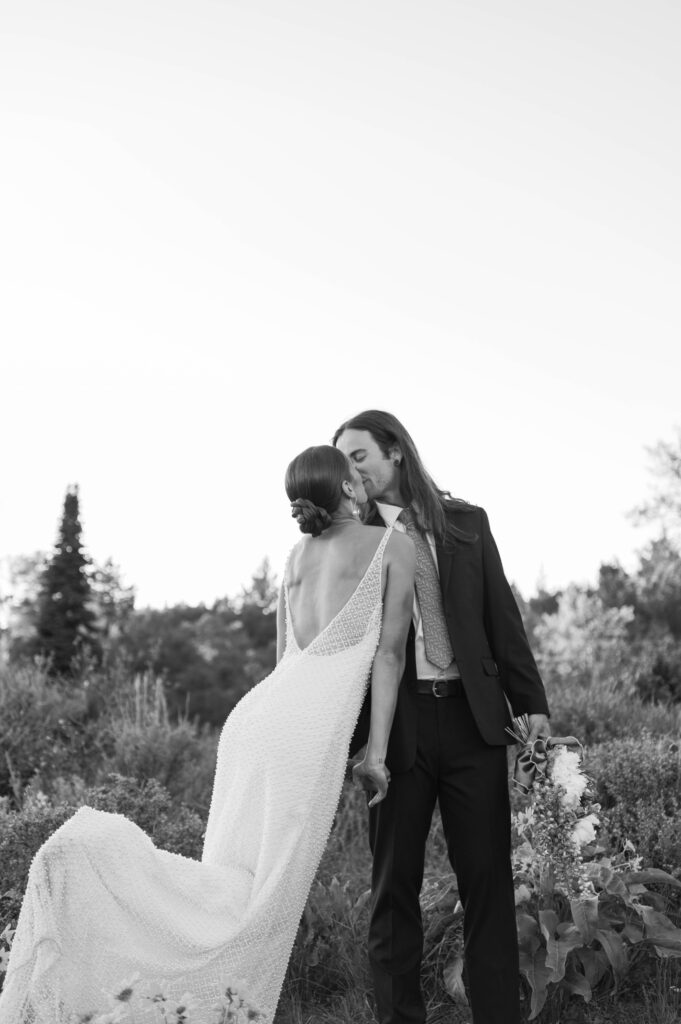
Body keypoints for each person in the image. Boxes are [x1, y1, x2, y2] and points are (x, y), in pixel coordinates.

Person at [0, 445, 416, 1024]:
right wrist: (375, 753)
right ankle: (98, 861)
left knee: (226, 884)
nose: (364, 481)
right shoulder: (396, 545)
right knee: (261, 906)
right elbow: (389, 656)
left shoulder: (295, 557)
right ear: (347, 489)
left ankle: (147, 970)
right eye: (355, 474)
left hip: (254, 722)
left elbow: (283, 663)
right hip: (304, 734)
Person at [334, 410, 551, 1024]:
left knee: (487, 883)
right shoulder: (351, 539)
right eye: (342, 463)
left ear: (395, 451)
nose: (352, 472)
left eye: (359, 456)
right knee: (393, 887)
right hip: (394, 729)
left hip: (473, 725)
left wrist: (530, 705)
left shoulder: (467, 523)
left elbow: (500, 620)